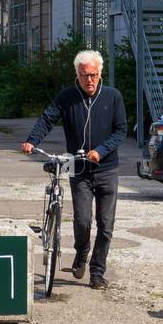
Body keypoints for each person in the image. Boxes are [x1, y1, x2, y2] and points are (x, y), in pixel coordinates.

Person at [21, 49, 127, 289]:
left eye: (93, 75)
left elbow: (121, 130)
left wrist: (101, 150)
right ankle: (82, 252)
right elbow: (47, 118)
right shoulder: (67, 96)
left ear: (100, 73)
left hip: (107, 169)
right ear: (77, 75)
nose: (88, 80)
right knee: (82, 221)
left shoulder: (113, 97)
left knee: (106, 225)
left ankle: (97, 272)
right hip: (78, 169)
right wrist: (32, 140)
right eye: (83, 75)